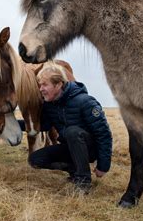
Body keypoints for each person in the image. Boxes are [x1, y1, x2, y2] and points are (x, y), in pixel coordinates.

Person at [28, 62, 113, 194]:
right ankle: (74, 169)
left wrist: (103, 165)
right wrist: (11, 124)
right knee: (35, 160)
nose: (41, 89)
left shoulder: (86, 102)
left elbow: (103, 134)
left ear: (58, 84)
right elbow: (43, 125)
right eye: (40, 85)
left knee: (72, 132)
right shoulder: (50, 105)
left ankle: (83, 182)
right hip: (70, 146)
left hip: (90, 149)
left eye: (45, 84)